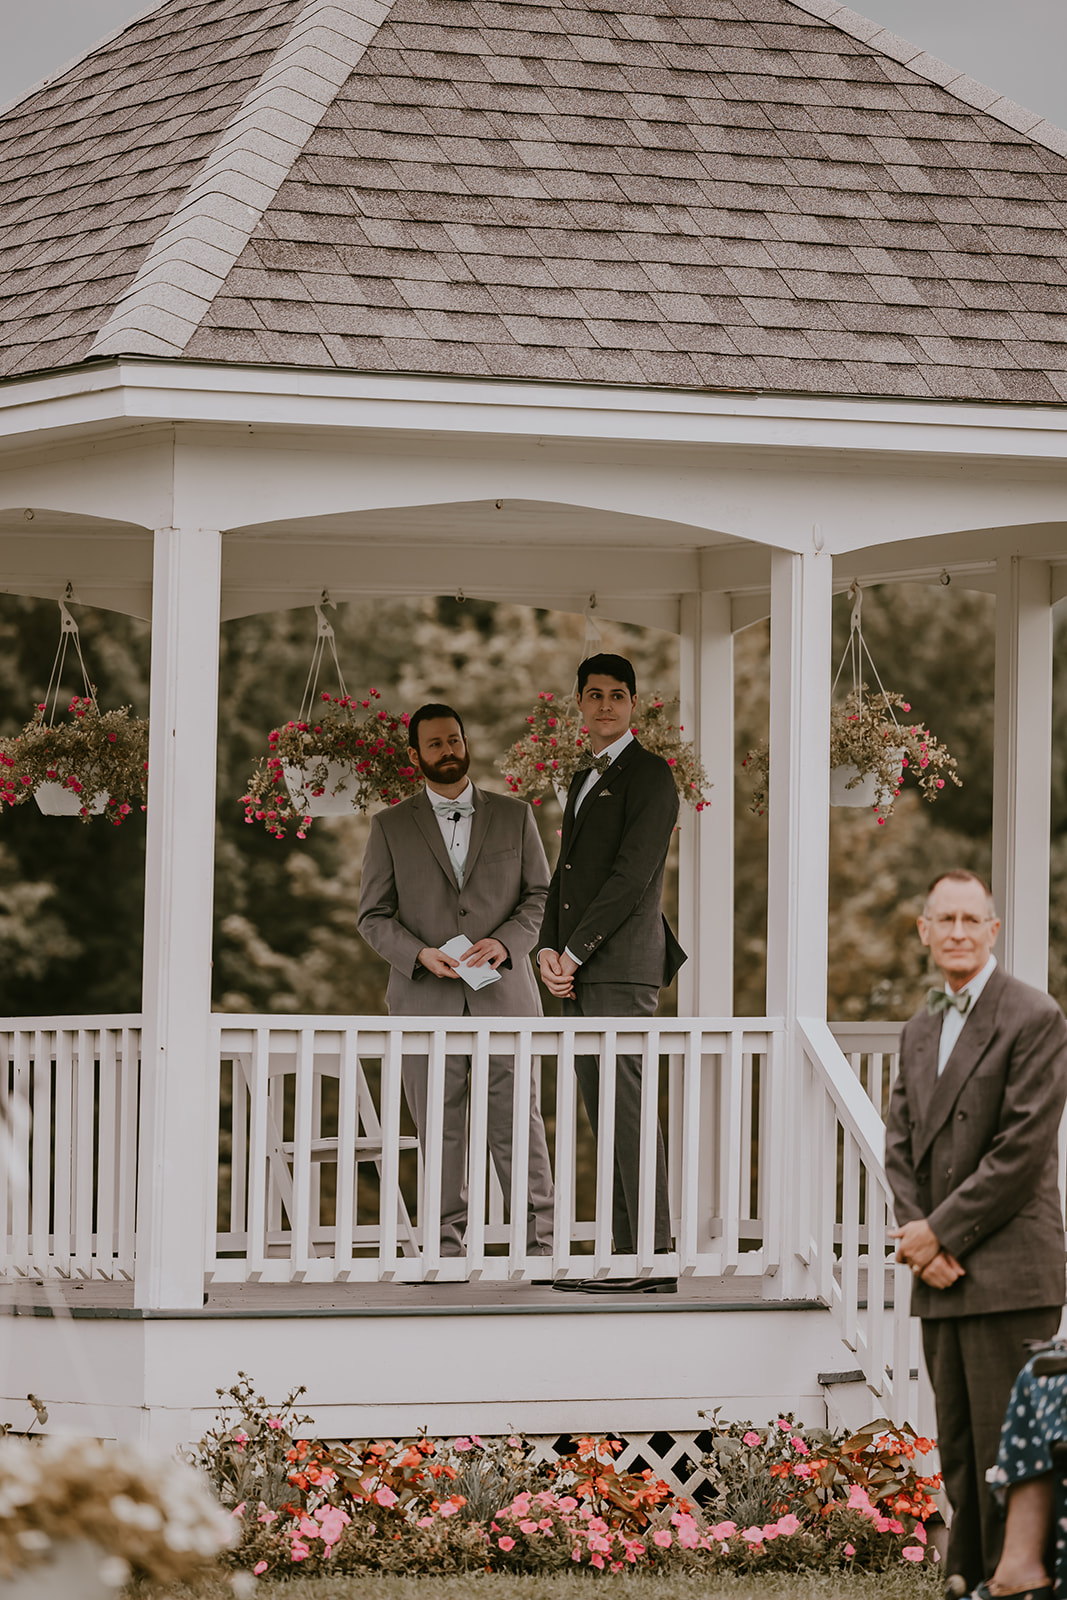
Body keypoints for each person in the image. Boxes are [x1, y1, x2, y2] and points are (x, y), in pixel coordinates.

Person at [884, 869, 1067, 1595]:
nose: (957, 932)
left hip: (1009, 1265)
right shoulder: (919, 1025)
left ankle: (1012, 1580)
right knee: (957, 1441)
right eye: (944, 920)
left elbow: (1021, 1150)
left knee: (1007, 1445)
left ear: (991, 931)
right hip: (940, 1269)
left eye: (971, 920)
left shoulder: (1033, 1014)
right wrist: (917, 1235)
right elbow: (898, 1144)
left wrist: (940, 1234)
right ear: (923, 931)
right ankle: (964, 1574)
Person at [358, 702, 554, 1258]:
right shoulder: (389, 826)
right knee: (438, 1134)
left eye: (455, 740)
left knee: (519, 1126)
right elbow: (372, 916)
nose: (449, 751)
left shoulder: (516, 816)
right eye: (436, 744)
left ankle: (540, 1246)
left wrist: (508, 943)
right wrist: (420, 954)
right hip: (425, 1000)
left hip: (506, 998)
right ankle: (443, 1250)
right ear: (415, 754)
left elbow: (540, 898)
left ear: (466, 742)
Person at [537, 652, 686, 1294]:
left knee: (629, 1108)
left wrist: (576, 952)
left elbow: (632, 879)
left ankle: (651, 1258)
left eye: (617, 695)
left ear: (634, 705)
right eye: (593, 694)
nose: (605, 704)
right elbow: (565, 875)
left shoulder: (652, 776)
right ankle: (625, 1257)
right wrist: (545, 948)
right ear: (579, 704)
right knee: (604, 1113)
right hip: (575, 972)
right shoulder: (579, 778)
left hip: (620, 970)